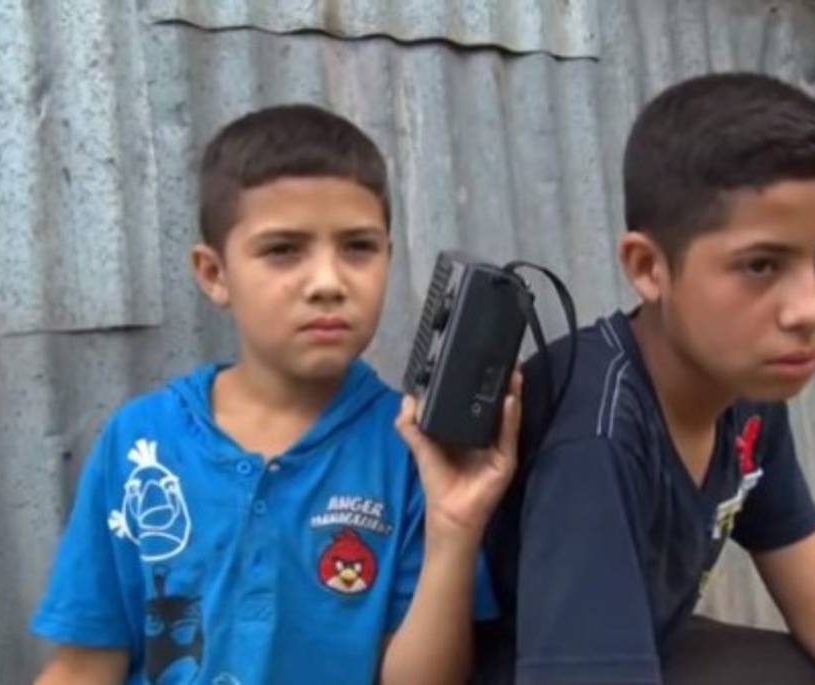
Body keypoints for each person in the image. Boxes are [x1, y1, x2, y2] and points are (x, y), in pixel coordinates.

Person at [477, 72, 815, 684]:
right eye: (761, 265)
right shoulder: (596, 439)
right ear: (649, 267)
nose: (809, 310)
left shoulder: (746, 387)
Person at [30, 104, 520, 685]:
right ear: (214, 274)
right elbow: (84, 666)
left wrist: (454, 530)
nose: (328, 283)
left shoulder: (413, 449)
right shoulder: (142, 444)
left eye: (358, 247)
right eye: (283, 250)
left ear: (389, 256)